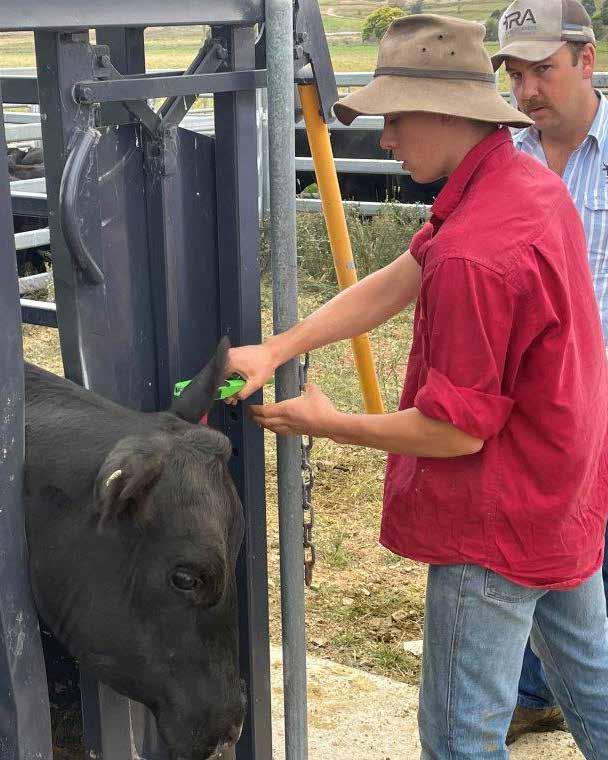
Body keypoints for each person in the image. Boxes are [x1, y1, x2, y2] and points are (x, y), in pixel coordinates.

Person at [228, 14, 608, 758]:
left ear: (447, 114)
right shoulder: (521, 184)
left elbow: (455, 432)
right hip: (558, 489)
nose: (386, 140)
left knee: (460, 739)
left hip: (493, 520)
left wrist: (326, 422)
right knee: (594, 689)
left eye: (396, 118)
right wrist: (279, 346)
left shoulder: (476, 251)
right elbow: (404, 275)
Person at [491, 0, 608, 744]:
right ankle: (537, 690)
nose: (528, 90)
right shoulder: (504, 159)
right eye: (514, 74)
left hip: (604, 391)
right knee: (547, 547)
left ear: (586, 60)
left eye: (543, 69)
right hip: (532, 403)